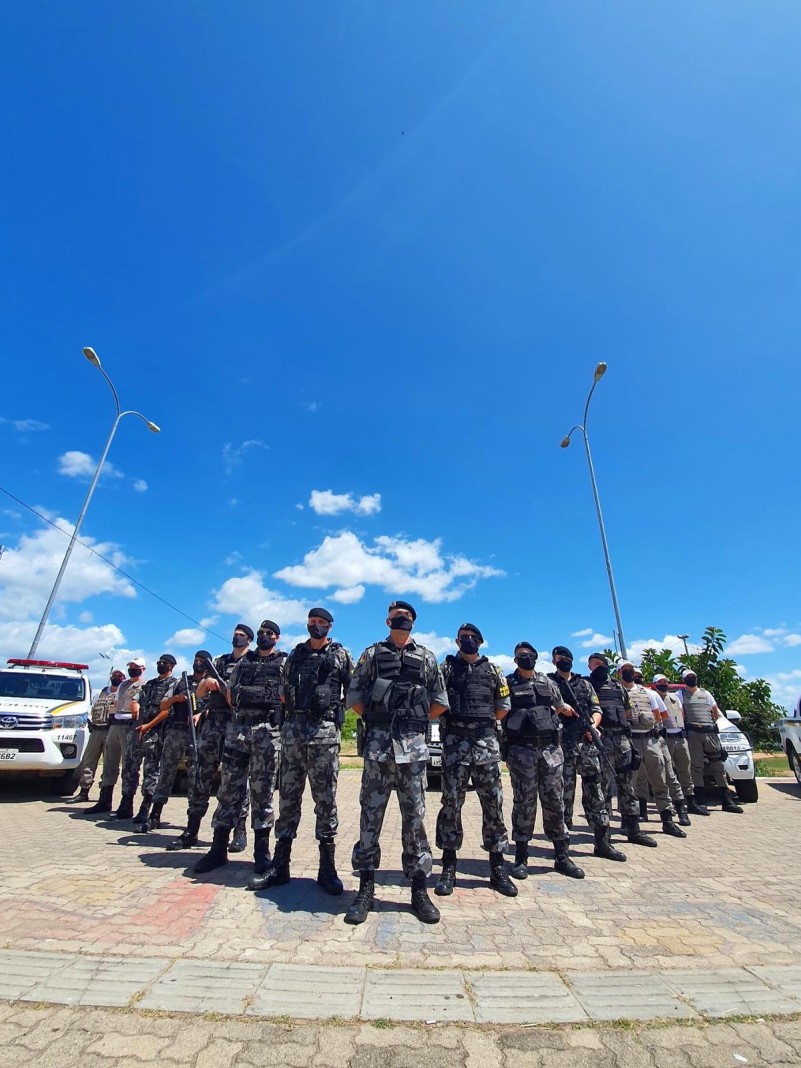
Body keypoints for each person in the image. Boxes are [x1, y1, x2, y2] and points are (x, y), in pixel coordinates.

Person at [344, 601, 447, 925]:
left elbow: (440, 702)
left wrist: (412, 722)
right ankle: (366, 889)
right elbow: (354, 697)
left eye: (407, 615)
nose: (402, 619)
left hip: (413, 750)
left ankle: (419, 889)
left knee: (415, 819)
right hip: (378, 748)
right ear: (388, 620)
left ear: (413, 622)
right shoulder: (372, 654)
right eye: (396, 615)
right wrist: (379, 720)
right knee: (370, 818)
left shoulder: (427, 657)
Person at [249, 608, 353, 895]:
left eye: (321, 623)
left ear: (330, 627)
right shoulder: (295, 654)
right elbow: (283, 690)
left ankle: (327, 869)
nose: (316, 626)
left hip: (324, 734)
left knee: (326, 801)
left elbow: (354, 691)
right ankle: (281, 866)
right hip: (293, 733)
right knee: (288, 799)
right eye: (312, 621)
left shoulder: (341, 655)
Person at [195, 620, 287, 877]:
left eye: (269, 633)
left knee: (263, 793)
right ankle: (218, 849)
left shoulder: (284, 664)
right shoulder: (243, 663)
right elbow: (230, 695)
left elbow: (288, 696)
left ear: (277, 638)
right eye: (260, 633)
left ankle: (261, 853)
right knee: (228, 790)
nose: (264, 636)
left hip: (267, 735)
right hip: (238, 732)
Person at [433, 624, 517, 897]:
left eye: (473, 638)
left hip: (485, 744)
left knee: (493, 805)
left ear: (481, 642)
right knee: (451, 804)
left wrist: (483, 724)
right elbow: (436, 701)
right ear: (457, 641)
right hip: (455, 743)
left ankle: (497, 868)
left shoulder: (494, 671)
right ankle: (448, 867)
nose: (468, 641)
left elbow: (503, 707)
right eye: (463, 638)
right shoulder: (445, 669)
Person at [502, 643, 585, 882]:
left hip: (550, 750)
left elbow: (560, 707)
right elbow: (501, 713)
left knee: (555, 801)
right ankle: (521, 856)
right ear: (515, 659)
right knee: (524, 802)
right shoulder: (508, 683)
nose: (525, 658)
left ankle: (562, 855)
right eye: (520, 656)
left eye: (529, 655)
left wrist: (546, 719)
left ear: (536, 658)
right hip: (521, 751)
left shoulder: (549, 683)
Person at [548, 646, 626, 863]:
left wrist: (592, 725)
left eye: (566, 657)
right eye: (559, 658)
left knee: (596, 794)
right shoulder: (549, 683)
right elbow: (544, 710)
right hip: (562, 746)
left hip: (586, 745)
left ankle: (603, 842)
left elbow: (596, 709)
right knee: (563, 797)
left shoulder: (585, 684)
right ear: (554, 661)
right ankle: (561, 848)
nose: (563, 660)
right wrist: (559, 708)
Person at [585, 653, 656, 848]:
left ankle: (633, 829)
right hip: (602, 740)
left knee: (627, 786)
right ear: (589, 666)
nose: (599, 667)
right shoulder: (587, 685)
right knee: (604, 788)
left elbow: (626, 710)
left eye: (602, 663)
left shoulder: (618, 686)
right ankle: (604, 834)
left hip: (622, 740)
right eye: (595, 664)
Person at [138, 651, 210, 833]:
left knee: (195, 778)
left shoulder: (209, 683)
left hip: (197, 734)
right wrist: (176, 699)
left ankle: (191, 824)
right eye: (196, 660)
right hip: (175, 731)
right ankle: (154, 816)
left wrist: (201, 714)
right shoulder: (180, 682)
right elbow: (163, 706)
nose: (198, 663)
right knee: (166, 774)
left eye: (202, 661)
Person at [617, 660, 685, 839]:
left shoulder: (649, 693)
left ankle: (667, 820)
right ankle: (629, 820)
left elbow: (661, 714)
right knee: (629, 783)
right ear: (619, 673)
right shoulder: (617, 692)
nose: (630, 673)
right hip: (629, 741)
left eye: (631, 669)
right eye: (625, 670)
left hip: (650, 740)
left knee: (660, 780)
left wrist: (648, 721)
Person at [85, 658, 145, 817]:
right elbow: (115, 703)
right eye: (131, 666)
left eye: (136, 667)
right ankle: (104, 800)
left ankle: (126, 805)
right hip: (115, 724)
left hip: (130, 726)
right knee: (109, 763)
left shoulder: (144, 686)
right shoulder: (123, 685)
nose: (133, 668)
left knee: (128, 764)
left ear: (143, 669)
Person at [678, 669, 743, 814]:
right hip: (693, 732)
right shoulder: (680, 695)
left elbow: (714, 710)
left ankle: (727, 800)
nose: (692, 679)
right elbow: (680, 713)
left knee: (718, 765)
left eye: (693, 676)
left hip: (710, 731)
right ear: (684, 680)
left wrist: (712, 724)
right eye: (688, 677)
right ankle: (701, 801)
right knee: (696, 767)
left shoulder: (706, 693)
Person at [127, 655, 177, 827]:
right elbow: (137, 699)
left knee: (151, 771)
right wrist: (135, 704)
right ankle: (126, 803)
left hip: (157, 731)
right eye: (159, 663)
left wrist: (148, 725)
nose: (161, 665)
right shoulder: (149, 684)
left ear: (172, 666)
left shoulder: (174, 684)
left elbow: (167, 710)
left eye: (165, 663)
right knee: (130, 766)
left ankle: (146, 806)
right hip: (141, 729)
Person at [652, 674, 706, 817]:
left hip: (680, 738)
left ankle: (691, 802)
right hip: (665, 738)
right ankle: (672, 804)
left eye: (665, 682)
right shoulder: (654, 698)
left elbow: (682, 714)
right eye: (659, 682)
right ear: (654, 684)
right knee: (667, 773)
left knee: (685, 770)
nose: (663, 684)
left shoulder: (675, 698)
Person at [72, 669, 124, 805]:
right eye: (114, 675)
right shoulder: (100, 693)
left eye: (119, 676)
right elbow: (91, 709)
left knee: (109, 763)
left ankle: (104, 794)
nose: (116, 678)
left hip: (110, 731)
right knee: (88, 762)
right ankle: (84, 792)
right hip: (96, 730)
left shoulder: (121, 694)